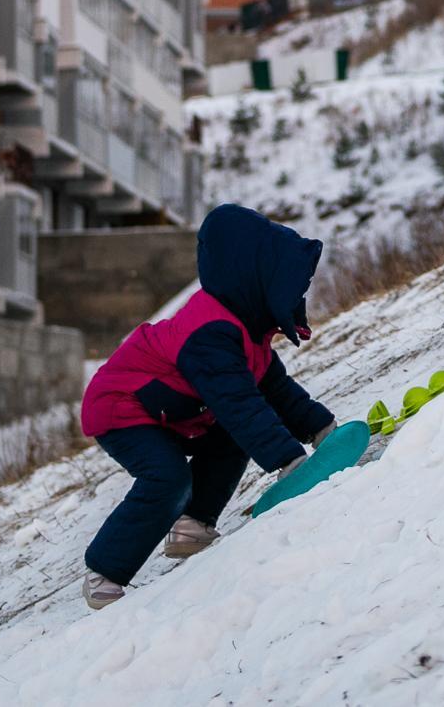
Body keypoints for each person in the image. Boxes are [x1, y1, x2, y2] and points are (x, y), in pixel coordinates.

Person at [78, 203, 337, 609]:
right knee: (167, 478)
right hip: (123, 406)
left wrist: (323, 430)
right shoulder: (209, 333)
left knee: (234, 434)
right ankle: (104, 573)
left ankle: (192, 526)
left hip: (174, 409)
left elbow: (278, 391)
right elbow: (239, 404)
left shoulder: (247, 330)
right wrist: (289, 461)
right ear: (254, 278)